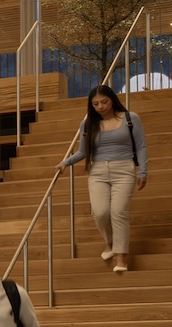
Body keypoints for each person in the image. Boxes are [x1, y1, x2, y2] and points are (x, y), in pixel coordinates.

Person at [62, 84, 146, 275]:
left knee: (118, 212)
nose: (100, 106)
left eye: (104, 102)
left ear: (113, 100)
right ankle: (109, 243)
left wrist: (143, 172)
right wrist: (65, 162)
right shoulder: (87, 124)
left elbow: (141, 146)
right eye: (95, 103)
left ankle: (121, 258)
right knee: (100, 212)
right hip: (98, 171)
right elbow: (83, 151)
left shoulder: (130, 119)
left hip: (124, 169)